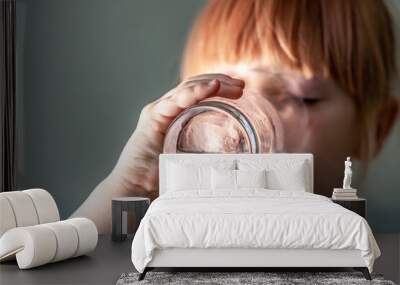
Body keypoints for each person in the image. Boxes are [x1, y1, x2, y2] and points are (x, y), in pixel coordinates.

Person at [72, 0, 399, 233]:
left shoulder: (372, 251)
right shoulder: (176, 227)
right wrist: (132, 185)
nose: (238, 126)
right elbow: (77, 264)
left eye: (303, 96)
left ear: (376, 130)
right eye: (218, 93)